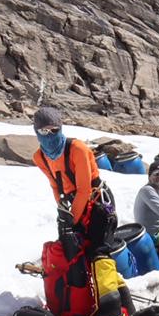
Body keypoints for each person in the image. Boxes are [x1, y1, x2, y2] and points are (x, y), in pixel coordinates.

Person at [31, 106, 110, 254]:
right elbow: (55, 186)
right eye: (44, 131)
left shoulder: (77, 149)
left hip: (96, 202)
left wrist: (72, 222)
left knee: (97, 250)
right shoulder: (39, 157)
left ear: (60, 129)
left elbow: (84, 189)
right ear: (36, 132)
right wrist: (64, 213)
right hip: (72, 204)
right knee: (69, 250)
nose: (49, 135)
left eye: (54, 130)